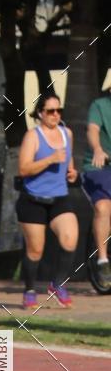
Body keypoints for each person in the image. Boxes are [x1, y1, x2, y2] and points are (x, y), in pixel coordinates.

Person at [16, 93, 78, 309]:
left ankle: (58, 283)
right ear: (40, 113)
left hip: (59, 198)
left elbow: (68, 160)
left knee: (69, 239)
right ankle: (29, 290)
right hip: (33, 200)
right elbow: (23, 169)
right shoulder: (33, 136)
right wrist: (50, 159)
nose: (55, 115)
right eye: (50, 111)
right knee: (35, 250)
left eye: (58, 111)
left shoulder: (66, 133)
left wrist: (71, 172)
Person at [82, 79, 111, 286]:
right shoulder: (99, 106)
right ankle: (102, 260)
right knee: (103, 208)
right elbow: (92, 131)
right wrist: (98, 149)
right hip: (98, 167)